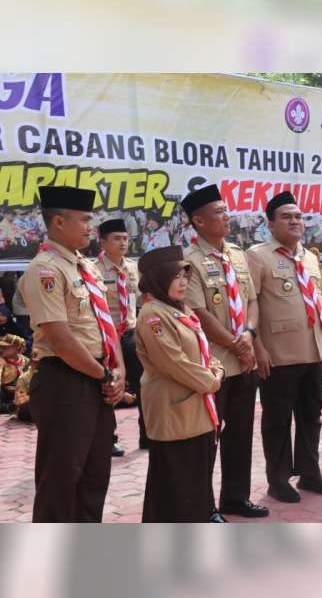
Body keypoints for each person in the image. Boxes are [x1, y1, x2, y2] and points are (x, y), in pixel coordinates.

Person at [18, 185, 126, 522]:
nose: (90, 227)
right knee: (61, 479)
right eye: (84, 220)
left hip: (97, 378)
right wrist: (104, 375)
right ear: (59, 223)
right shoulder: (45, 269)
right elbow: (61, 340)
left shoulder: (87, 267)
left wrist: (118, 370)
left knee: (95, 476)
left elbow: (107, 323)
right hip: (65, 382)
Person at [182, 184, 268, 519]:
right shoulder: (189, 262)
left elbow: (251, 300)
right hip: (213, 365)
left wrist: (248, 333)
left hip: (243, 360)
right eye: (218, 212)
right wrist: (237, 343)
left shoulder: (237, 254)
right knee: (209, 439)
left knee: (241, 434)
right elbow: (199, 314)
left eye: (225, 209)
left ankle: (236, 497)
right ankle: (205, 507)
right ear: (199, 221)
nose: (227, 216)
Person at [247, 190, 322, 503]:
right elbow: (249, 304)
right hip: (278, 354)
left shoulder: (310, 257)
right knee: (277, 418)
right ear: (270, 224)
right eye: (286, 216)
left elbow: (318, 303)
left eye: (298, 216)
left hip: (312, 351)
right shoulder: (257, 256)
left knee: (312, 415)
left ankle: (310, 473)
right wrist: (258, 347)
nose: (295, 221)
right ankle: (279, 478)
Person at [135, 245, 226, 522]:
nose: (184, 282)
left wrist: (216, 368)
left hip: (195, 407)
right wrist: (212, 380)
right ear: (160, 280)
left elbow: (203, 351)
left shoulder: (179, 309)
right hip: (174, 410)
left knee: (195, 480)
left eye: (186, 277)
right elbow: (173, 362)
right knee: (176, 482)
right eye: (177, 277)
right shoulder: (153, 315)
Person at [95, 218, 146, 455]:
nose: (123, 243)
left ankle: (148, 434)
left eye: (125, 238)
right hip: (107, 335)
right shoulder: (93, 269)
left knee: (144, 383)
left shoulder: (133, 267)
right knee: (110, 386)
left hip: (131, 334)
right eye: (116, 238)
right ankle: (109, 437)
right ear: (103, 242)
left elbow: (142, 300)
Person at [0, 334, 29, 414]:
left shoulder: (26, 361)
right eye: (0, 346)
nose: (1, 349)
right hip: (5, 398)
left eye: (5, 347)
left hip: (22, 395)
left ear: (16, 347)